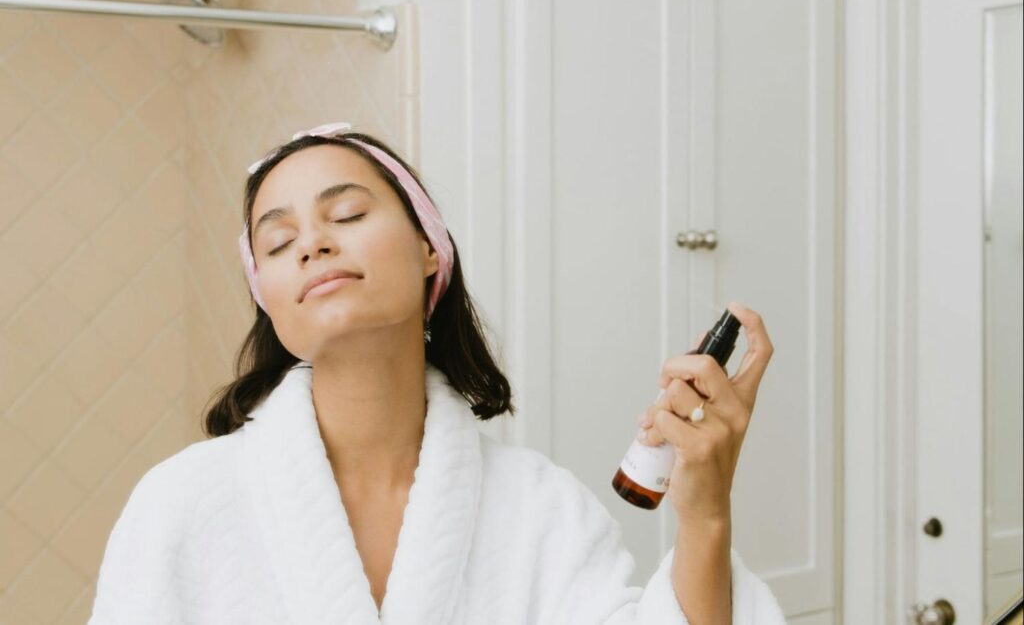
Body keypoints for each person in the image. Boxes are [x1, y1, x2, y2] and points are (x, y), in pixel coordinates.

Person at [87, 122, 786, 624]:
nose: (313, 244)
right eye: (278, 241)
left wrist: (705, 511)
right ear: (269, 304)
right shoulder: (180, 505)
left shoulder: (544, 510)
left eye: (348, 213)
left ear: (430, 248)